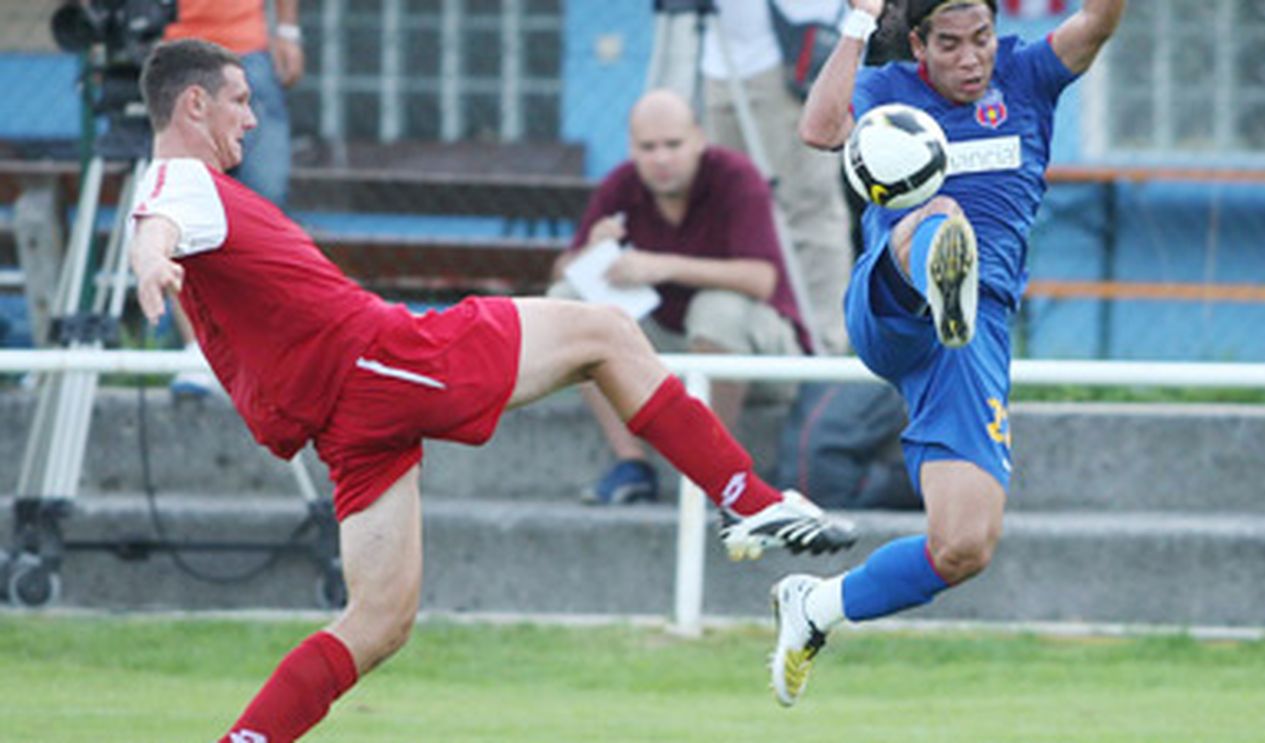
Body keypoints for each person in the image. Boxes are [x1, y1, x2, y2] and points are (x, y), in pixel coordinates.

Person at [128, 39, 857, 741]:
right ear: (194, 105)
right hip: (383, 360)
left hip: (348, 418)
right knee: (604, 332)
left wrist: (157, 253)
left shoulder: (186, 192)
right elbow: (155, 224)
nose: (251, 118)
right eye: (239, 100)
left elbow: (159, 222)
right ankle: (748, 501)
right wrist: (150, 260)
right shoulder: (181, 183)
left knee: (379, 620)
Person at [767, 0, 1126, 706]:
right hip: (893, 302)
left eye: (981, 39)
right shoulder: (888, 88)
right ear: (919, 45)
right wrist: (857, 23)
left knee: (965, 545)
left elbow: (1099, 23)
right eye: (951, 44)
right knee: (936, 209)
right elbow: (819, 130)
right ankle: (940, 271)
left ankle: (816, 607)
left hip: (972, 336)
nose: (970, 58)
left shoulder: (1026, 76)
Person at [551, 89, 809, 506]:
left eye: (673, 144)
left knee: (717, 310)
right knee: (572, 303)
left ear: (699, 140)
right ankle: (631, 464)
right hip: (669, 352)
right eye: (648, 147)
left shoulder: (736, 177)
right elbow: (562, 275)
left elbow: (762, 279)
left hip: (763, 355)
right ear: (632, 148)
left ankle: (715, 473)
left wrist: (662, 265)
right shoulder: (622, 183)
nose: (661, 158)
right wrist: (589, 253)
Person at [700, 0, 854, 355]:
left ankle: (822, 347)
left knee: (806, 206)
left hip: (785, 54)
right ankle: (743, 339)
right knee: (727, 212)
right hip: (718, 59)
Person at [164, 0, 302, 396]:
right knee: (181, 209)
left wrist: (288, 30)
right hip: (173, 52)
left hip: (247, 51)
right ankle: (197, 349)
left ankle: (268, 350)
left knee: (266, 206)